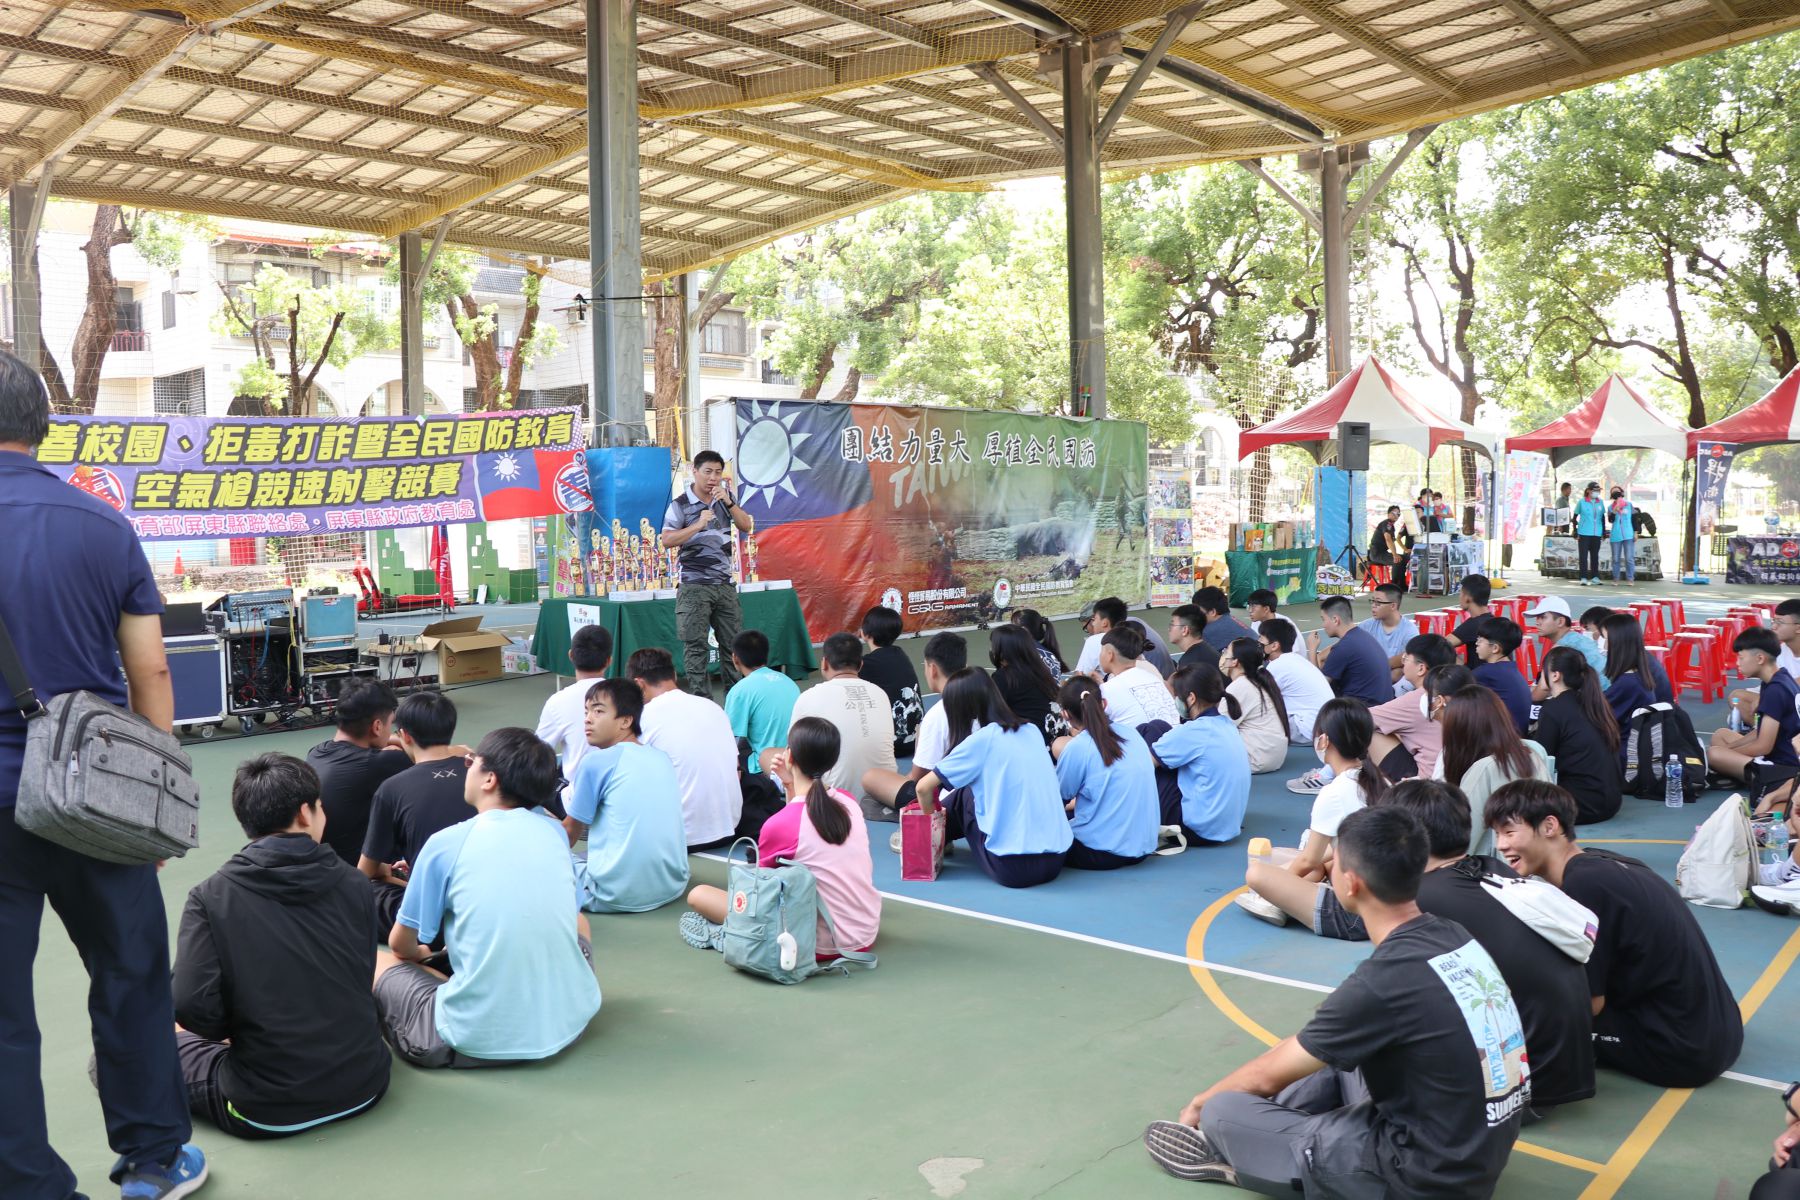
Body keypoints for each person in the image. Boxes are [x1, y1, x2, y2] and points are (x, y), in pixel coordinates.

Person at [0, 348, 204, 1200]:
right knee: (128, 977)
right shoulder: (102, 524)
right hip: (93, 794)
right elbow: (151, 675)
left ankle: (26, 1183)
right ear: (41, 425)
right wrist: (153, 809)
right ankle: (153, 1161)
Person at [1146, 806, 1530, 1196]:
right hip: (1478, 1150)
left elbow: (1265, 1076)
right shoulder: (1452, 934)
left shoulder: (1386, 980)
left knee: (1222, 1111)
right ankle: (1282, 1133)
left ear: (1350, 883)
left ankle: (1260, 1160)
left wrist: (1199, 1105)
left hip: (1419, 1175)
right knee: (1334, 1057)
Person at [174, 754, 390, 1140]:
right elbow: (360, 972)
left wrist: (238, 1028)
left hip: (270, 1106)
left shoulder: (209, 897)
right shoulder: (355, 883)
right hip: (367, 1082)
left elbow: (192, 1007)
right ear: (306, 814)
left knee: (123, 1056)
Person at [1488, 779, 1743, 1088]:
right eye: (1498, 834)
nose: (1501, 845)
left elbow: (1589, 1004)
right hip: (1722, 1031)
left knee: (1522, 1023)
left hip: (1681, 1052)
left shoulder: (1585, 886)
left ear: (1550, 826)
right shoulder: (1606, 863)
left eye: (1509, 832)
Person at [374, 728, 601, 1068]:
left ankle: (452, 992)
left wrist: (422, 954)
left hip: (470, 1040)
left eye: (471, 761)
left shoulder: (445, 843)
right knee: (579, 921)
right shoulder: (554, 832)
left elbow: (400, 945)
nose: (466, 766)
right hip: (571, 1020)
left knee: (378, 960)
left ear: (489, 779)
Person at [1376, 779, 1595, 1112]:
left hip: (1515, 1093)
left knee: (1369, 1045)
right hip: (1563, 1069)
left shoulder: (1422, 898)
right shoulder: (1491, 869)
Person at [681, 717, 880, 956]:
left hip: (814, 943)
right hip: (865, 932)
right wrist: (789, 783)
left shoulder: (781, 824)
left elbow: (763, 889)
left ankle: (727, 934)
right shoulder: (848, 801)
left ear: (790, 756)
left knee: (699, 895)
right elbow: (803, 818)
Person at [1237, 698, 1386, 935]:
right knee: (1274, 857)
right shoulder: (1379, 781)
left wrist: (1278, 886)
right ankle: (1295, 892)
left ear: (1324, 740)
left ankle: (1276, 904)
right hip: (1383, 898)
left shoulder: (1335, 792)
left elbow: (1308, 860)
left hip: (1353, 914)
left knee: (1256, 873)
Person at [913, 669, 1071, 888]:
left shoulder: (981, 741)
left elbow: (922, 788)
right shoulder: (1031, 730)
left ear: (960, 708)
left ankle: (929, 841)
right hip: (1056, 860)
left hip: (1012, 868)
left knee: (963, 795)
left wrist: (931, 827)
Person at [564, 679, 689, 914]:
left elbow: (569, 835)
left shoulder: (595, 762)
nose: (587, 719)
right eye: (586, 711)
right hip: (673, 885)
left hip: (612, 894)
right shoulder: (661, 757)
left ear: (626, 721)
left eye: (598, 711)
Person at [358, 690, 471, 932]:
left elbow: (364, 872)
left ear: (404, 736)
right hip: (482, 901)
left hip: (436, 920)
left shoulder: (392, 788)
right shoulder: (479, 773)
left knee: (362, 892)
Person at [660, 449, 753, 694]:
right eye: (708, 472)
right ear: (695, 472)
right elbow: (667, 540)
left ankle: (736, 699)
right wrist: (697, 525)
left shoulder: (725, 499)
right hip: (694, 586)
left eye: (718, 472)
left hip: (724, 585)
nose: (713, 478)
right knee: (695, 645)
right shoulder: (680, 505)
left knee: (733, 645)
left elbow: (746, 525)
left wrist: (729, 502)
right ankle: (701, 701)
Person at [630, 647, 742, 850]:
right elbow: (737, 769)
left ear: (639, 683)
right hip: (731, 826)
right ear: (673, 675)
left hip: (681, 838)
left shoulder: (643, 718)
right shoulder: (713, 707)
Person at [1053, 677, 1160, 868]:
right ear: (1104, 704)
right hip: (1143, 847)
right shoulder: (1132, 734)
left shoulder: (1078, 747)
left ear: (1065, 715)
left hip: (1100, 852)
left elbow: (1056, 801)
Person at [307, 677, 409, 867]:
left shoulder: (315, 753)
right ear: (377, 727)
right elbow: (427, 755)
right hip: (358, 870)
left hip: (326, 864)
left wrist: (387, 743)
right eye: (390, 725)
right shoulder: (379, 763)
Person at [788, 633, 897, 809]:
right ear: (861, 664)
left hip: (834, 797)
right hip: (885, 792)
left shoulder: (809, 696)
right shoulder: (880, 693)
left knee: (772, 755)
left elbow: (793, 750)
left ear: (824, 663)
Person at [862, 632, 966, 816]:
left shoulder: (937, 715)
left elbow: (918, 779)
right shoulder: (985, 701)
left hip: (946, 801)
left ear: (932, 669)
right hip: (976, 793)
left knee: (871, 778)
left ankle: (912, 813)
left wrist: (897, 783)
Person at [1439, 686, 1552, 855]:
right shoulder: (1531, 753)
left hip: (1499, 876)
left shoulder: (1484, 769)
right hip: (1539, 872)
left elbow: (1460, 846)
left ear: (1459, 733)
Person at [1153, 664, 1253, 845]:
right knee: (1159, 729)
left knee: (1151, 730)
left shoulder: (1195, 731)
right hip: (1226, 825)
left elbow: (1144, 763)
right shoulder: (1226, 724)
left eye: (1177, 696)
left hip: (1197, 830)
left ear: (1191, 697)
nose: (1176, 700)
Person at [1530, 647, 1622, 826]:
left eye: (1543, 672)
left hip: (1579, 806)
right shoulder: (1595, 704)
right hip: (1610, 801)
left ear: (1555, 675)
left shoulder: (1553, 709)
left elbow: (1541, 758)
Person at [535, 622, 613, 808]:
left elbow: (538, 751)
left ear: (571, 655)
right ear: (608, 660)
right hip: (620, 794)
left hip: (578, 802)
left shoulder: (558, 701)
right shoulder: (626, 696)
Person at [1709, 627, 1800, 785]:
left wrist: (1729, 752)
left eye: (1741, 658)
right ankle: (1736, 769)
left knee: (1714, 754)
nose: (1737, 663)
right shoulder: (1779, 677)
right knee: (1720, 735)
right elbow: (1761, 731)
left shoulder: (1775, 691)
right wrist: (1731, 748)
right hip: (1780, 753)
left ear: (1759, 658)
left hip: (1783, 767)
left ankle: (1751, 776)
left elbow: (1764, 746)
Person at [1367, 634, 1457, 782]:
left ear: (1421, 668)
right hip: (1456, 777)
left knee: (1368, 732)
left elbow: (1361, 718)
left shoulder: (1421, 697)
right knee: (1393, 728)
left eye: (1406, 658)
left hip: (1428, 784)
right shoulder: (1454, 689)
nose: (1403, 663)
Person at [723, 629, 800, 777]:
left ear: (735, 658)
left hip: (766, 767)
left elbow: (729, 739)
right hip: (799, 761)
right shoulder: (789, 682)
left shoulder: (740, 690)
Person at [990, 623, 1071, 745]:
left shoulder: (1003, 677)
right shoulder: (1040, 670)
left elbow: (993, 718)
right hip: (1056, 740)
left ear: (1002, 650)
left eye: (993, 646)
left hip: (1036, 745)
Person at [858, 605, 923, 756]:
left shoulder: (866, 664)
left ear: (864, 633)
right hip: (919, 740)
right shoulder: (900, 654)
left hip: (891, 746)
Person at [1308, 595, 1393, 708]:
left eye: (1323, 619)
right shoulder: (1362, 636)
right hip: (1382, 705)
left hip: (1362, 712)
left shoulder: (1344, 646)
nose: (1323, 625)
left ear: (1335, 620)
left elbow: (1318, 687)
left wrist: (1312, 650)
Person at [1258, 618, 1334, 744]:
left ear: (1274, 646)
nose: (1258, 643)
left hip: (1307, 729)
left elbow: (1259, 698)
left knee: (1257, 716)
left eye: (1261, 639)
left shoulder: (1277, 665)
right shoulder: (1297, 660)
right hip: (1326, 724)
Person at [1220, 638, 1290, 774]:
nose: (1223, 655)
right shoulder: (1259, 681)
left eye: (1226, 651)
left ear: (1235, 661)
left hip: (1255, 758)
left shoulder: (1239, 686)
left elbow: (1219, 727)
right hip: (1273, 756)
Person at [1097, 625, 1182, 728]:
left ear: (1110, 655)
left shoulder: (1107, 689)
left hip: (1145, 742)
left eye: (1101, 651)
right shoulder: (1152, 677)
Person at [1525, 596, 1608, 700]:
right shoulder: (1579, 639)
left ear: (1560, 621)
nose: (1537, 622)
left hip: (1599, 702)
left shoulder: (1561, 649)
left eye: (1543, 617)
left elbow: (1543, 689)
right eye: (1537, 617)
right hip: (1609, 697)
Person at [1599, 611, 1665, 734]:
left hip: (1623, 749)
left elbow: (1595, 715)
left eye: (1606, 639)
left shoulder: (1627, 683)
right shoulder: (1638, 674)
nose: (1604, 646)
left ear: (1618, 643)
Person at [1075, 596, 1175, 677]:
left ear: (1103, 622)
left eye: (1095, 620)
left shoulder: (1096, 640)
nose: (1090, 629)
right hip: (1167, 680)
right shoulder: (1136, 622)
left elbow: (1080, 677)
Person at [1472, 620, 1532, 736]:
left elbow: (1454, 684)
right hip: (1519, 739)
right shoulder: (1511, 669)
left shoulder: (1487, 672)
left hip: (1502, 743)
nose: (1476, 643)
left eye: (1481, 640)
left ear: (1495, 648)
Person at [1357, 582, 1418, 685]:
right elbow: (1347, 642)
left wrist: (1378, 665)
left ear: (1393, 606)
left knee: (1397, 673)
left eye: (1378, 602)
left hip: (1394, 682)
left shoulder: (1409, 631)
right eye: (1372, 601)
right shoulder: (1366, 625)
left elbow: (1412, 657)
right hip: (1371, 674)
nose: (1373, 606)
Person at [1445, 573, 1497, 669]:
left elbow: (1440, 645)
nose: (1459, 597)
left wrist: (1463, 668)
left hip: (1477, 681)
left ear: (1468, 597)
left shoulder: (1474, 624)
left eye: (1461, 593)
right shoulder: (1493, 621)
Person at [1192, 586, 1252, 654]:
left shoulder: (1208, 632)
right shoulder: (1229, 619)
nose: (1195, 614)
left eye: (1197, 611)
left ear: (1212, 612)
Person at [1011, 608, 1068, 679]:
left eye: (1014, 627)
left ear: (1025, 630)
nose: (1011, 631)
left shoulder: (1030, 653)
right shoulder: (1040, 651)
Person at [1167, 603, 1220, 672]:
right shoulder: (1206, 650)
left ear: (1184, 630)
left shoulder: (1190, 664)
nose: (1169, 629)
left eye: (1172, 625)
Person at [1573, 482, 1606, 586]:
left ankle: (1595, 577)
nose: (1597, 492)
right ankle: (1583, 577)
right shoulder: (1582, 502)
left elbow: (1603, 517)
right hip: (1584, 533)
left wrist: (1604, 531)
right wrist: (1575, 530)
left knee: (1595, 556)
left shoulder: (1600, 502)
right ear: (1588, 491)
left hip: (1597, 533)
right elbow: (1574, 518)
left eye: (1598, 491)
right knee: (1583, 556)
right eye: (1595, 490)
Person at [1606, 486, 1636, 582]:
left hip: (1628, 535)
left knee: (1629, 558)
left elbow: (1635, 519)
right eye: (1613, 493)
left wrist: (1636, 532)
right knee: (1615, 559)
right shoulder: (1610, 507)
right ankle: (1616, 578)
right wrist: (1615, 510)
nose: (1616, 494)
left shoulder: (1629, 505)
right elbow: (1610, 520)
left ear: (1622, 493)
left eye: (1617, 492)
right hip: (1615, 535)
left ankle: (1630, 578)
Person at [1367, 505, 1401, 584]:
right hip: (1377, 554)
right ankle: (1394, 584)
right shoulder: (1387, 523)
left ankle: (1401, 584)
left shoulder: (1391, 526)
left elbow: (1391, 542)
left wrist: (1395, 554)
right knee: (1397, 561)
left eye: (1398, 514)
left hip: (1381, 553)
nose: (1396, 515)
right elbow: (1388, 540)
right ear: (1388, 514)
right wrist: (1395, 555)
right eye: (1394, 513)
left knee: (1402, 559)